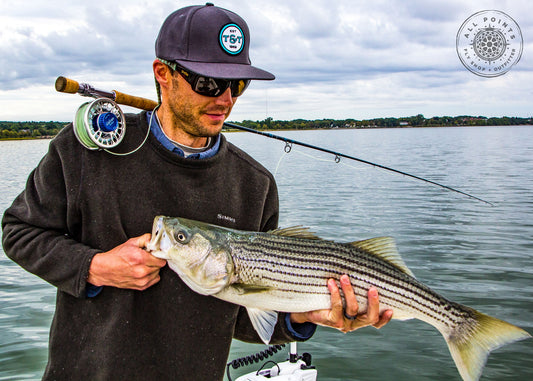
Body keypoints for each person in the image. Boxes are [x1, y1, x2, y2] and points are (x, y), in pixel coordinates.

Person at [2, 3, 392, 380]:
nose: (225, 100)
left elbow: (243, 312)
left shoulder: (254, 185)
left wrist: (300, 315)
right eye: (208, 82)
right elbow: (19, 231)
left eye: (237, 84)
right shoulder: (87, 150)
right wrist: (94, 267)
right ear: (163, 74)